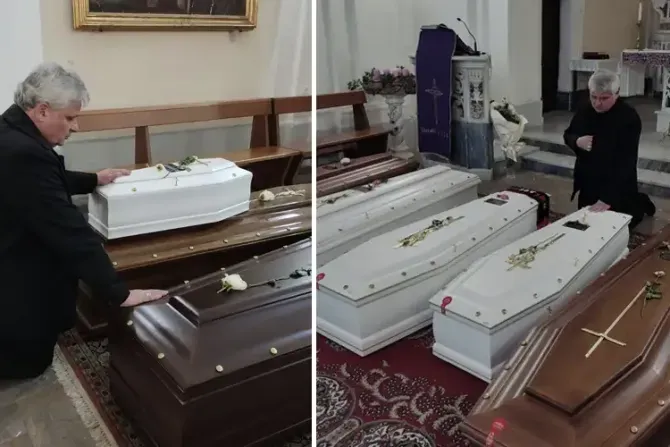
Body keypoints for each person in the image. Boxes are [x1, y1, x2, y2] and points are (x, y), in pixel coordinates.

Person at [0, 62, 167, 380]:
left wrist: (93, 179)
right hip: (15, 276)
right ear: (43, 110)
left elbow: (45, 180)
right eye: (70, 118)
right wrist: (118, 292)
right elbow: (70, 233)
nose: (75, 127)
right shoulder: (24, 153)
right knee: (31, 364)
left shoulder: (11, 130)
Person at [563, 69, 655, 229]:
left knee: (617, 224)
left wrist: (608, 198)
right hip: (589, 179)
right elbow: (568, 134)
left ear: (617, 93)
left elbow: (626, 161)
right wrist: (577, 141)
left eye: (604, 98)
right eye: (593, 97)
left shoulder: (629, 117)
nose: (597, 103)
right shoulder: (585, 110)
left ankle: (641, 201)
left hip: (616, 181)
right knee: (586, 221)